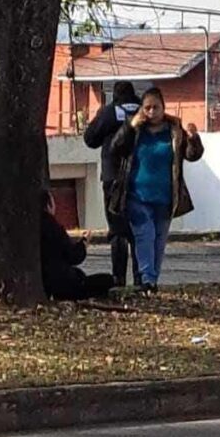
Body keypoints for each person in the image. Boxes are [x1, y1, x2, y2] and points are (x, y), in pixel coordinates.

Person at [108, 88, 203, 294]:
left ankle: (152, 280)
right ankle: (147, 279)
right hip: (137, 195)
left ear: (163, 107)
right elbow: (115, 148)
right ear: (142, 110)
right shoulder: (136, 130)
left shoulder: (174, 129)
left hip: (166, 197)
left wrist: (194, 138)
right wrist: (130, 126)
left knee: (159, 241)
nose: (151, 112)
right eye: (147, 108)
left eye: (155, 107)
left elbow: (191, 155)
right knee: (145, 235)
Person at [84, 81, 141, 287]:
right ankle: (141, 278)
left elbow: (90, 139)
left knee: (117, 230)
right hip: (139, 177)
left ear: (115, 95)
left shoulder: (110, 112)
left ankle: (118, 278)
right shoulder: (145, 110)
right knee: (137, 229)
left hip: (113, 178)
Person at [40, 191, 114, 300]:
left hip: (49, 281)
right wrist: (83, 242)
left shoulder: (36, 226)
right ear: (48, 205)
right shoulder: (53, 228)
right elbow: (73, 256)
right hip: (63, 281)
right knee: (107, 280)